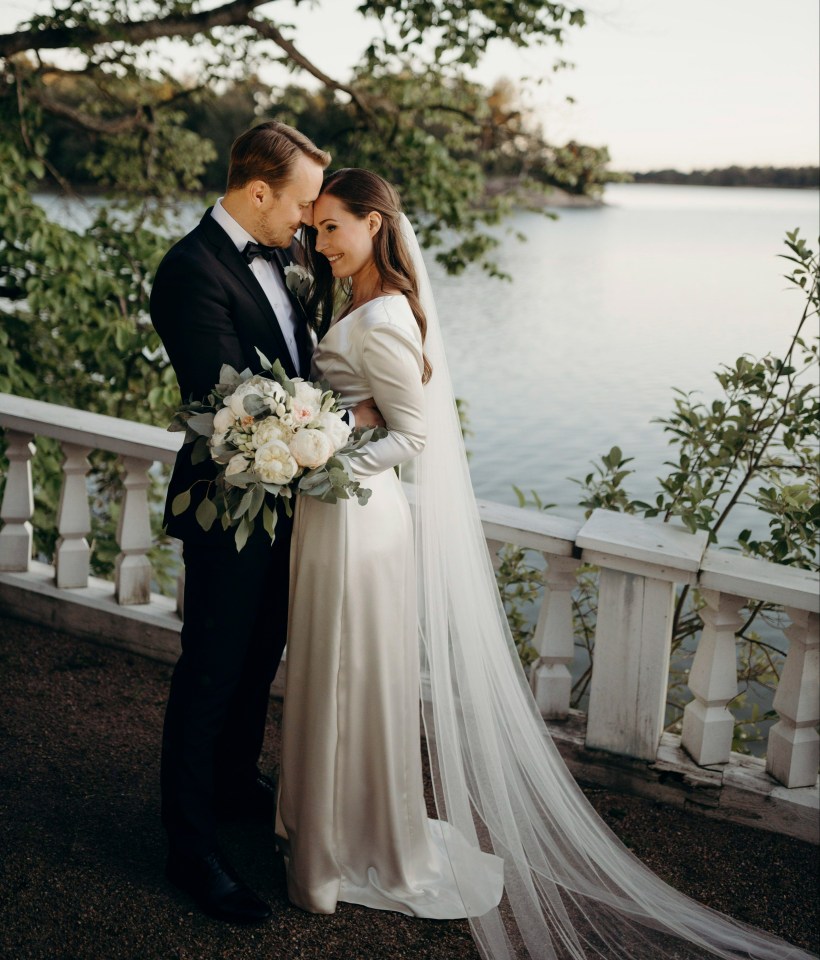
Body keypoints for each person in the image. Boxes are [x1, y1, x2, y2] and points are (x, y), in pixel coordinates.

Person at [275, 168, 814, 960]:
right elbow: (363, 410)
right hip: (336, 514)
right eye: (315, 229)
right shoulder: (358, 299)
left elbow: (411, 438)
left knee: (352, 674)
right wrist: (318, 429)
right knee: (332, 668)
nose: (321, 245)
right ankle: (323, 822)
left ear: (376, 224)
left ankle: (349, 842)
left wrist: (322, 458)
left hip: (356, 517)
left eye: (333, 228)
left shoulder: (384, 313)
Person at [149, 122, 382, 925]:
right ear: (259, 193)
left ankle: (233, 781)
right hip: (226, 506)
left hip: (290, 503)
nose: (310, 218)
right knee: (211, 669)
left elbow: (294, 364)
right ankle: (191, 849)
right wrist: (348, 422)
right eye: (301, 201)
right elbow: (230, 406)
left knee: (260, 657)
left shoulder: (284, 262)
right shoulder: (189, 272)